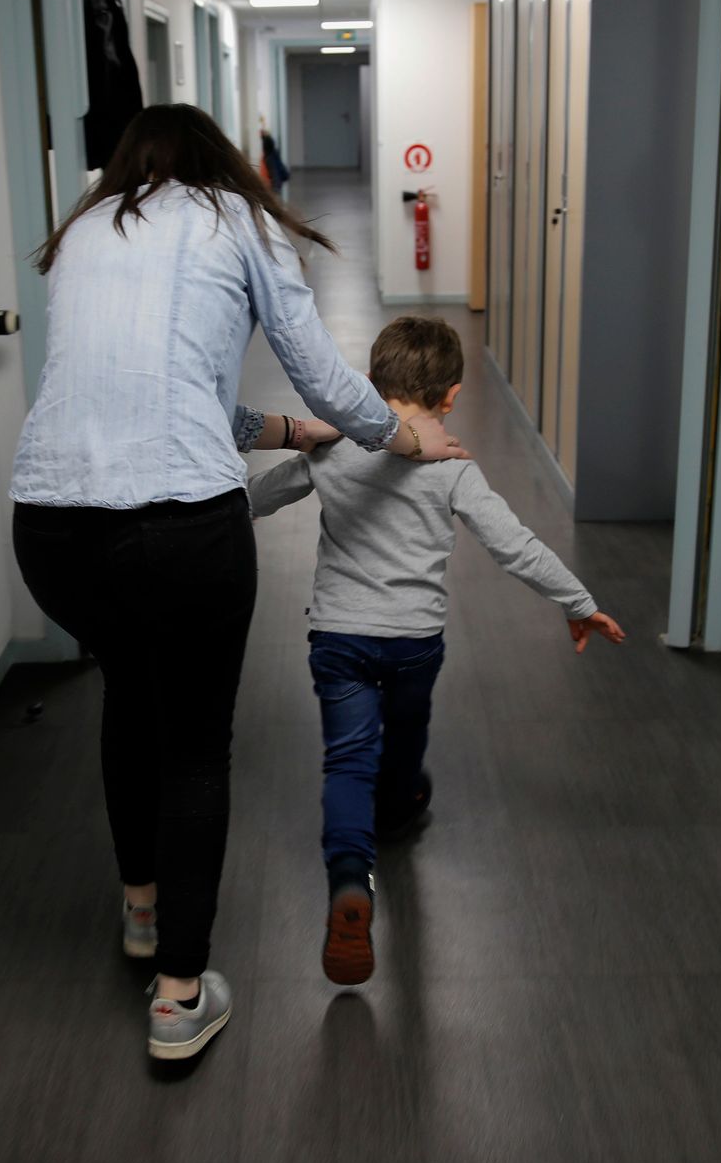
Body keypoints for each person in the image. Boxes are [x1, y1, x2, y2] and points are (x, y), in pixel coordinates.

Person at [9, 105, 468, 1060]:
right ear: (218, 159)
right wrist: (398, 435)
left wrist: (292, 436)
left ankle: (143, 913)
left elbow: (163, 394)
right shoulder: (239, 218)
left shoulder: (84, 229)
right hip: (178, 530)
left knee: (129, 700)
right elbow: (325, 377)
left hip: (52, 532)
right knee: (194, 749)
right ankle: (180, 997)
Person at [246, 316, 625, 986]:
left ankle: (350, 885)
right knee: (406, 730)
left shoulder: (334, 447)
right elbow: (514, 545)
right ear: (451, 396)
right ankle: (399, 807)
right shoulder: (452, 463)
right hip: (414, 642)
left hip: (339, 637)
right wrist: (577, 601)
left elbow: (262, 497)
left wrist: (207, 514)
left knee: (347, 761)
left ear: (370, 383)